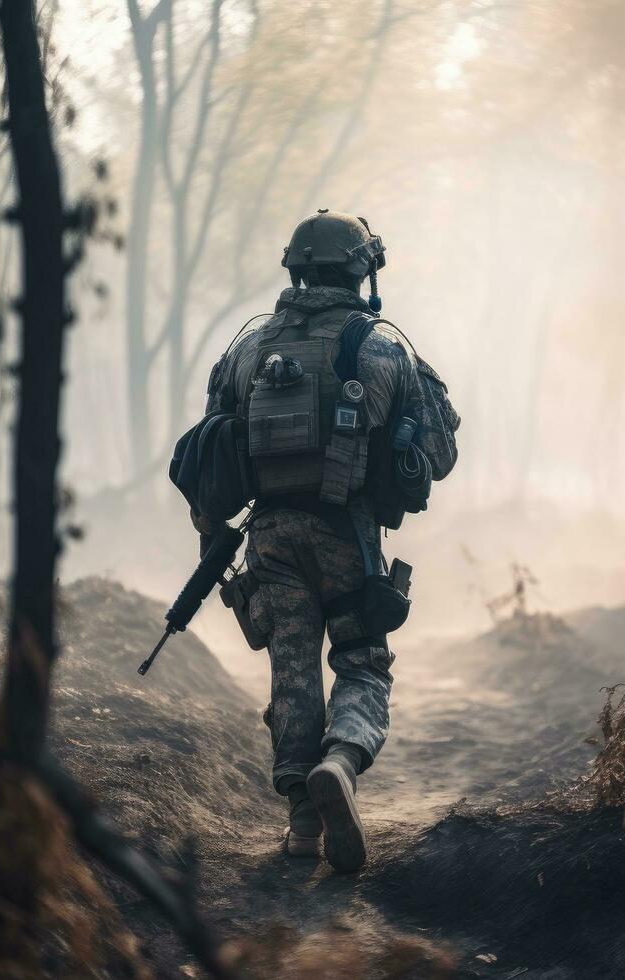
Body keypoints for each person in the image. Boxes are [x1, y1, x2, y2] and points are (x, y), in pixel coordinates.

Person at [189, 209, 459, 872]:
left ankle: (303, 825)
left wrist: (209, 540)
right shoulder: (382, 345)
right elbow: (440, 451)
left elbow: (209, 454)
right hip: (347, 532)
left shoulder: (250, 347)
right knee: (363, 662)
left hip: (270, 536)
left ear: (296, 269)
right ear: (362, 271)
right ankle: (341, 761)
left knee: (291, 672)